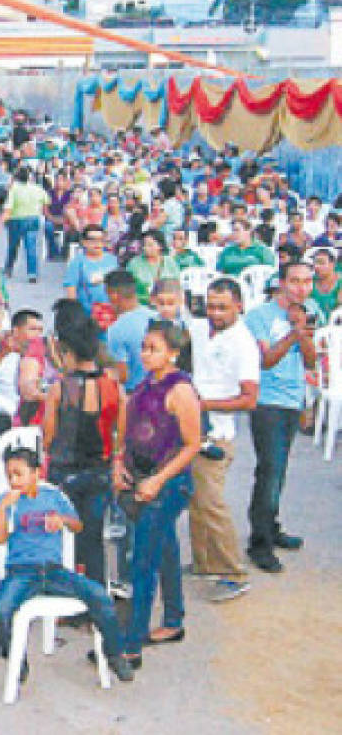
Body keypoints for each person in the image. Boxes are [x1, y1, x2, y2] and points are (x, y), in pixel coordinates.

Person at [0, 448, 134, 684]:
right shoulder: (7, 502)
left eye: (19, 474)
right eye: (9, 475)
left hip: (54, 569)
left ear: (36, 473)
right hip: (22, 570)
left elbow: (77, 526)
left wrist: (62, 520)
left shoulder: (53, 497)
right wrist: (2, 510)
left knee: (99, 595)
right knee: (2, 607)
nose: (14, 480)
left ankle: (114, 653)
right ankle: (15, 657)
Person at [116, 321, 202, 664]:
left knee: (143, 561)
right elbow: (129, 428)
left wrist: (158, 481)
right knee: (164, 549)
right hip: (140, 474)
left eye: (153, 348)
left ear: (174, 353)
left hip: (167, 484)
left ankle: (131, 645)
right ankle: (173, 621)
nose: (145, 353)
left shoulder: (180, 390)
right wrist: (119, 462)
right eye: (145, 347)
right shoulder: (146, 383)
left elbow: (192, 444)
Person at [41, 305, 123, 585]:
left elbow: (49, 435)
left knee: (65, 539)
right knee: (94, 539)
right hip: (99, 470)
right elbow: (118, 433)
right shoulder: (112, 387)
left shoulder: (61, 388)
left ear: (70, 353)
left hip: (65, 471)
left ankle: (67, 597)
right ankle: (97, 601)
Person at [188, 278, 258, 602]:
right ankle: (204, 562)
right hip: (194, 429)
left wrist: (204, 404)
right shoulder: (202, 329)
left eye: (222, 307)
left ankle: (233, 571)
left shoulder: (243, 344)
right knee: (197, 499)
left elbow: (249, 399)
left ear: (239, 306)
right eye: (211, 306)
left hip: (217, 432)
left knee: (212, 503)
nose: (214, 313)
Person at [244, 261, 315, 572]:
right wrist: (293, 332)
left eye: (307, 282)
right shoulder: (260, 316)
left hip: (292, 398)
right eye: (295, 281)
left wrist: (304, 333)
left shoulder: (309, 311)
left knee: (279, 469)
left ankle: (271, 527)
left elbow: (312, 360)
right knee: (269, 471)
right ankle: (259, 542)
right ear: (282, 283)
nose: (301, 287)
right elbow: (265, 360)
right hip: (267, 401)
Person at [105, 269, 158, 392]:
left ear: (113, 295)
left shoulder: (116, 329)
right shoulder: (157, 316)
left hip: (135, 395)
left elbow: (122, 376)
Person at [0, 167, 48, 283]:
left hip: (16, 219)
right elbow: (45, 204)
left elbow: (8, 209)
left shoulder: (14, 189)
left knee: (13, 246)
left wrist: (0, 223)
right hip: (33, 218)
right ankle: (32, 273)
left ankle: (8, 268)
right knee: (31, 247)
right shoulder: (38, 189)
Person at [126, 231, 179, 305]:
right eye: (144, 245)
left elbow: (177, 285)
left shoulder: (170, 262)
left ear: (160, 246)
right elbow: (128, 289)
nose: (145, 248)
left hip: (166, 304)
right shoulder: (134, 263)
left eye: (150, 245)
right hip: (142, 305)